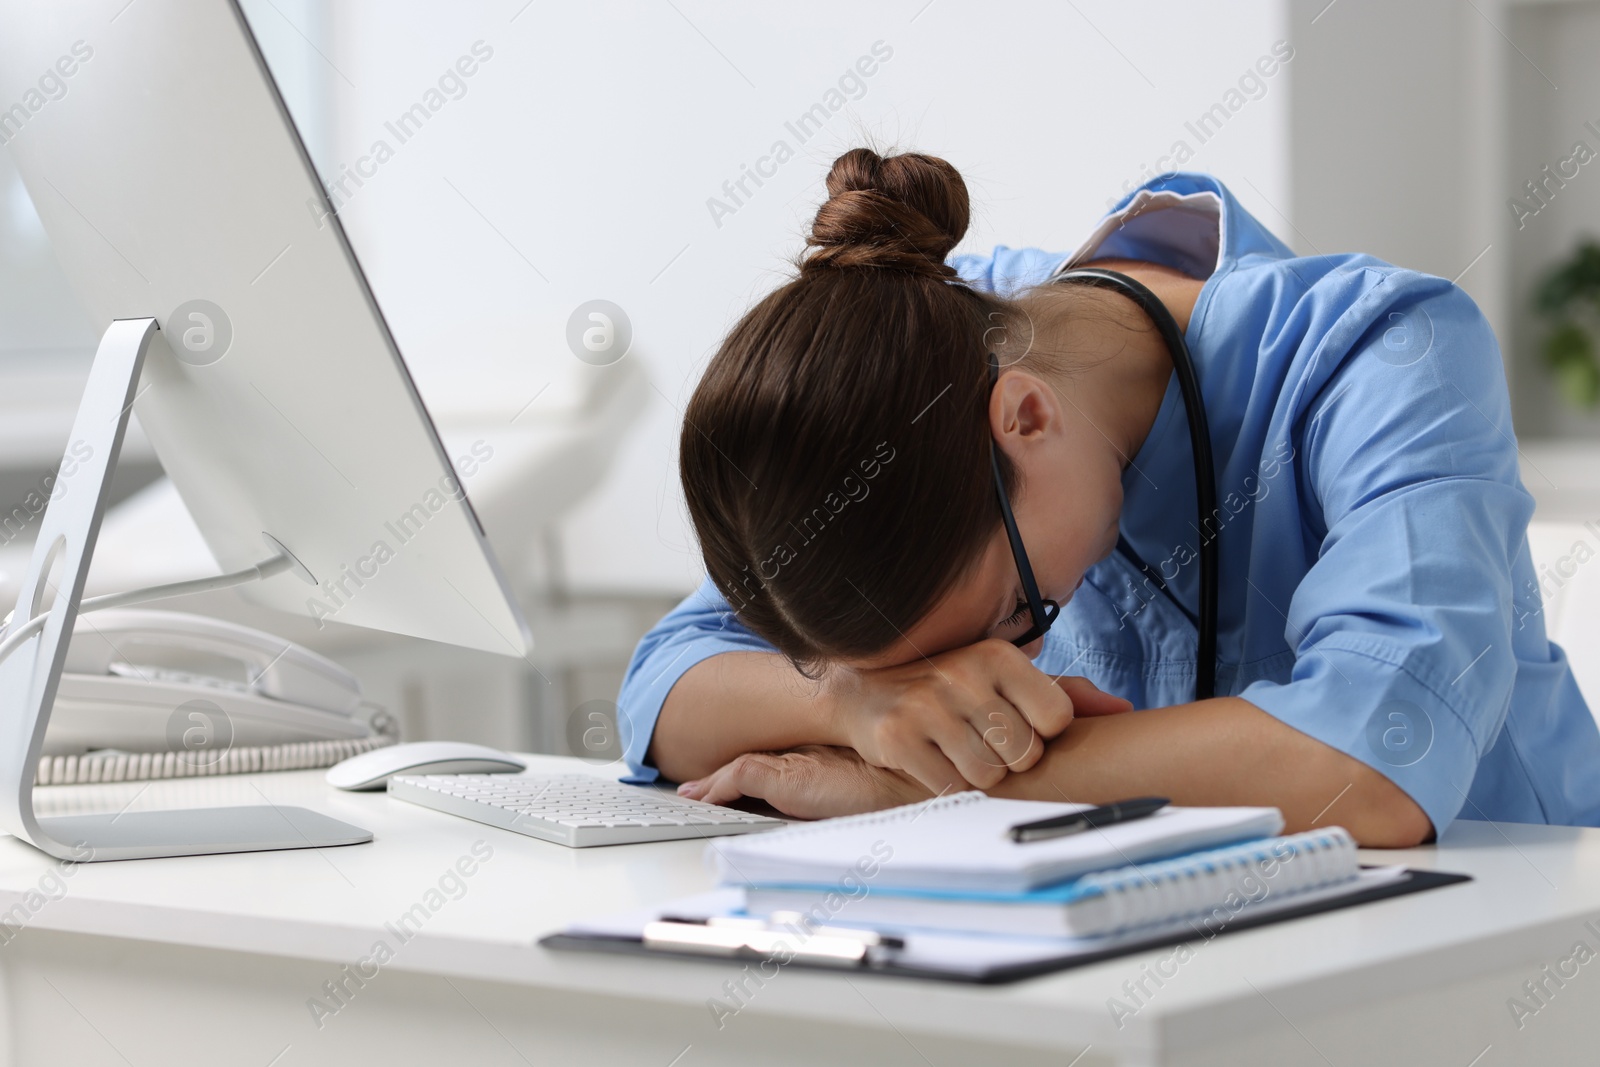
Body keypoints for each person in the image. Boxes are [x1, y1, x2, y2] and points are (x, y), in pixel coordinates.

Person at [616, 148, 1600, 846]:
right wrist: (857, 703)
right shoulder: (926, 342)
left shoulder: (1386, 351)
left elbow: (1377, 761)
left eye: (1013, 615)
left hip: (1498, 933)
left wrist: (920, 788)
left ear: (1027, 418)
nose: (968, 678)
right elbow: (664, 681)